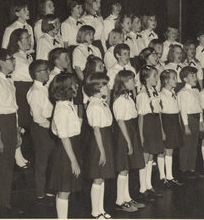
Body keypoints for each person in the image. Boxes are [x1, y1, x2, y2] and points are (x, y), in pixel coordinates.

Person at [0, 49, 22, 217]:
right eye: (10, 59)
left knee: (8, 166)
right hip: (0, 124)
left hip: (10, 124)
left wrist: (16, 131)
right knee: (1, 167)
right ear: (1, 62)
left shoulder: (9, 81)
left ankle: (5, 202)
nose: (14, 62)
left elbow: (14, 109)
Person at [49, 73, 83, 219]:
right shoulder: (61, 108)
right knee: (64, 189)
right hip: (65, 151)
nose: (77, 86)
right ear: (66, 88)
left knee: (66, 189)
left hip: (71, 147)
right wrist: (73, 161)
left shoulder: (67, 104)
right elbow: (63, 137)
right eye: (74, 84)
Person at [112, 70, 146, 212]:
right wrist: (128, 142)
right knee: (123, 168)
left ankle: (127, 197)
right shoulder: (120, 100)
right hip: (124, 135)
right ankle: (119, 201)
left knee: (127, 168)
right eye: (131, 80)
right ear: (124, 83)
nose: (135, 82)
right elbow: (120, 122)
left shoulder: (128, 97)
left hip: (131, 131)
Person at [84, 73, 115, 219]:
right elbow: (96, 130)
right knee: (97, 178)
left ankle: (101, 209)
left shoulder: (101, 102)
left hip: (106, 139)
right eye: (105, 85)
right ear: (97, 87)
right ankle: (95, 212)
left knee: (102, 177)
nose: (108, 88)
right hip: (99, 143)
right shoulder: (94, 105)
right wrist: (102, 152)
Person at [27, 60, 56, 206]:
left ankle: (50, 190)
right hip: (42, 127)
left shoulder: (44, 88)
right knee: (42, 161)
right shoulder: (35, 92)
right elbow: (38, 118)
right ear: (36, 74)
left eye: (47, 70)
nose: (48, 73)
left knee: (51, 159)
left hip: (48, 125)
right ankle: (40, 193)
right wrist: (52, 127)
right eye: (44, 70)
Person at [136, 65, 164, 201]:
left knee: (151, 156)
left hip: (155, 125)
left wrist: (162, 130)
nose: (157, 79)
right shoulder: (142, 95)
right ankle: (142, 189)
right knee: (145, 157)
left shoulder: (155, 92)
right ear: (146, 78)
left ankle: (148, 185)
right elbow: (141, 117)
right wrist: (141, 135)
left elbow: (158, 113)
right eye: (154, 76)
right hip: (147, 126)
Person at [8, 29, 33, 169]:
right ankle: (17, 155)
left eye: (29, 37)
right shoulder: (15, 57)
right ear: (18, 41)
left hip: (29, 88)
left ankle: (20, 153)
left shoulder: (28, 56)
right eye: (26, 38)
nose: (29, 40)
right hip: (20, 89)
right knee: (20, 122)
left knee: (25, 123)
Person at [177, 66, 204, 179]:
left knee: (194, 145)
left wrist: (201, 121)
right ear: (185, 79)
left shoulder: (196, 90)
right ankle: (184, 170)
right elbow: (183, 110)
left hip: (197, 118)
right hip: (188, 120)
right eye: (192, 76)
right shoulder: (182, 92)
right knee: (186, 146)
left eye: (196, 75)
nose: (196, 78)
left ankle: (191, 169)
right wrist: (186, 126)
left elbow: (199, 106)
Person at [158, 69, 184, 187]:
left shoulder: (174, 93)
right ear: (166, 80)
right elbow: (159, 114)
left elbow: (177, 111)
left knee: (170, 149)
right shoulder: (161, 95)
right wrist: (162, 129)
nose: (176, 80)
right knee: (163, 150)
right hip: (166, 121)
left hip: (173, 121)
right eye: (173, 78)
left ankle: (169, 176)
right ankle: (162, 177)